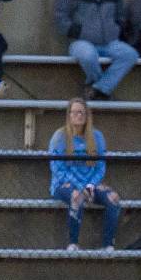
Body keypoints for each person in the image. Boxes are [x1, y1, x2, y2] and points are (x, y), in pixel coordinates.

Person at [54, 0, 138, 101]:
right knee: (88, 55)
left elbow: (121, 16)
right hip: (81, 43)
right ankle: (103, 90)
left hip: (110, 43)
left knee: (130, 54)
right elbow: (61, 20)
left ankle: (96, 89)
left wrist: (115, 30)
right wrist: (82, 32)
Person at [49, 98, 121, 251]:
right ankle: (73, 243)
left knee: (113, 198)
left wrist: (89, 186)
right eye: (74, 112)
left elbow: (100, 166)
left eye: (81, 112)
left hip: (90, 185)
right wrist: (79, 187)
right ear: (68, 115)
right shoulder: (60, 136)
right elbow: (56, 167)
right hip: (65, 185)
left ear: (87, 115)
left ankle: (108, 245)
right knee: (76, 196)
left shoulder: (97, 137)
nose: (78, 116)